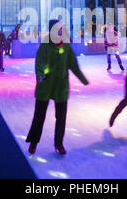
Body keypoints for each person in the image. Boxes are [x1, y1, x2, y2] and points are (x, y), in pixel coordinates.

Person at [26, 20, 89, 156]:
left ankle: (59, 143)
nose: (60, 31)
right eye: (57, 29)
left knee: (61, 117)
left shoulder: (66, 46)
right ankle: (34, 142)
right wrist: (40, 74)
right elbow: (40, 62)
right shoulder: (45, 45)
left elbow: (73, 64)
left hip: (61, 87)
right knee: (39, 116)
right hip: (46, 85)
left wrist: (83, 80)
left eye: (61, 28)